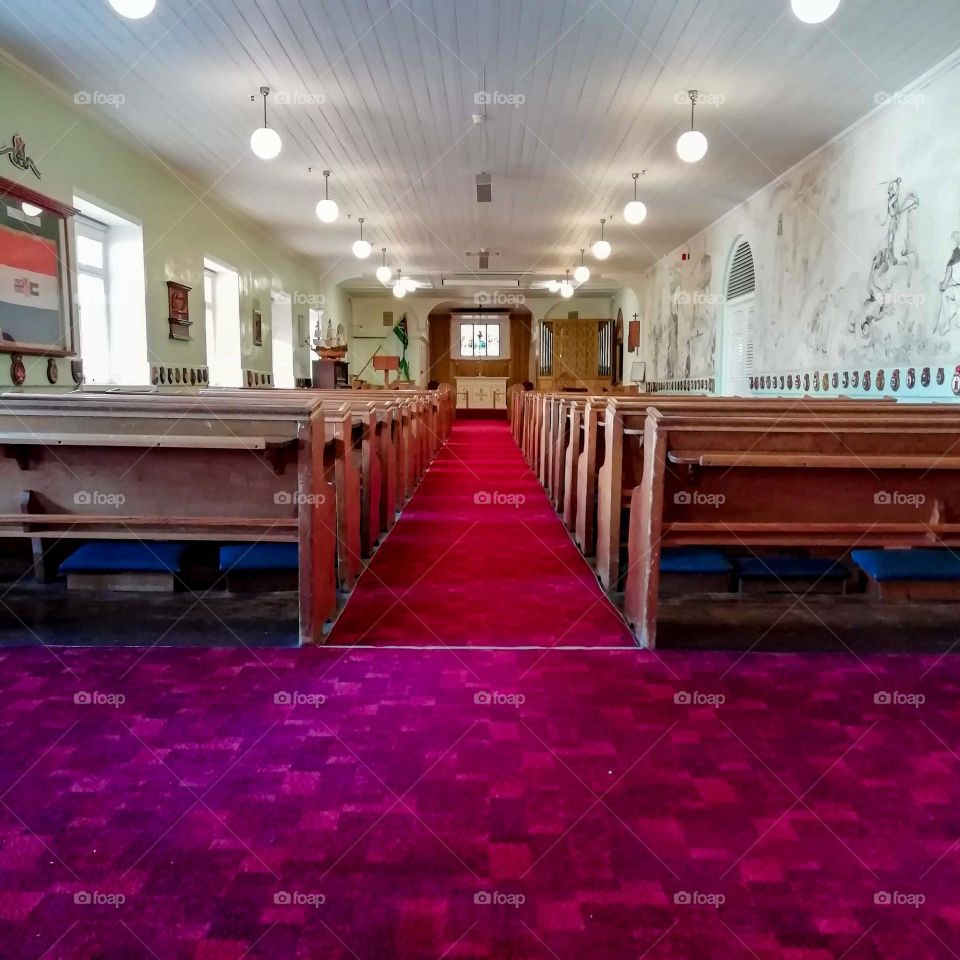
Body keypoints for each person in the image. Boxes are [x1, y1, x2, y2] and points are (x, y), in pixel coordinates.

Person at [933, 231, 960, 336]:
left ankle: (948, 324)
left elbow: (948, 274)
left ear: (954, 241)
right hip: (957, 289)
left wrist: (942, 285)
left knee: (944, 293)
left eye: (952, 240)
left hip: (958, 291)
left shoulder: (955, 255)